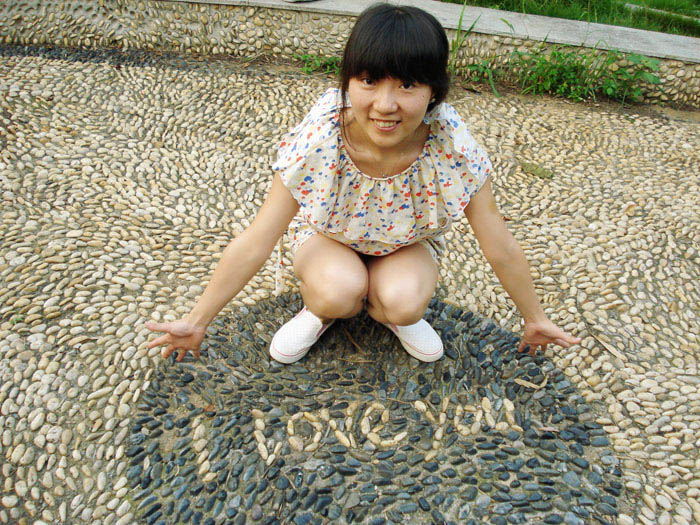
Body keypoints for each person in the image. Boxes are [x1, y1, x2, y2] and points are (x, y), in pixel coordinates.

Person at [146, 4, 580, 365]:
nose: (385, 105)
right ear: (348, 81)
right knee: (337, 292)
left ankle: (389, 313)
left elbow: (497, 242)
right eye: (369, 81)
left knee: (405, 302)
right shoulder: (321, 139)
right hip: (327, 236)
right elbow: (258, 238)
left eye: (407, 84)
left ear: (434, 91)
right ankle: (320, 313)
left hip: (407, 243)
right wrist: (197, 321)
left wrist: (534, 317)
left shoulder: (451, 144)